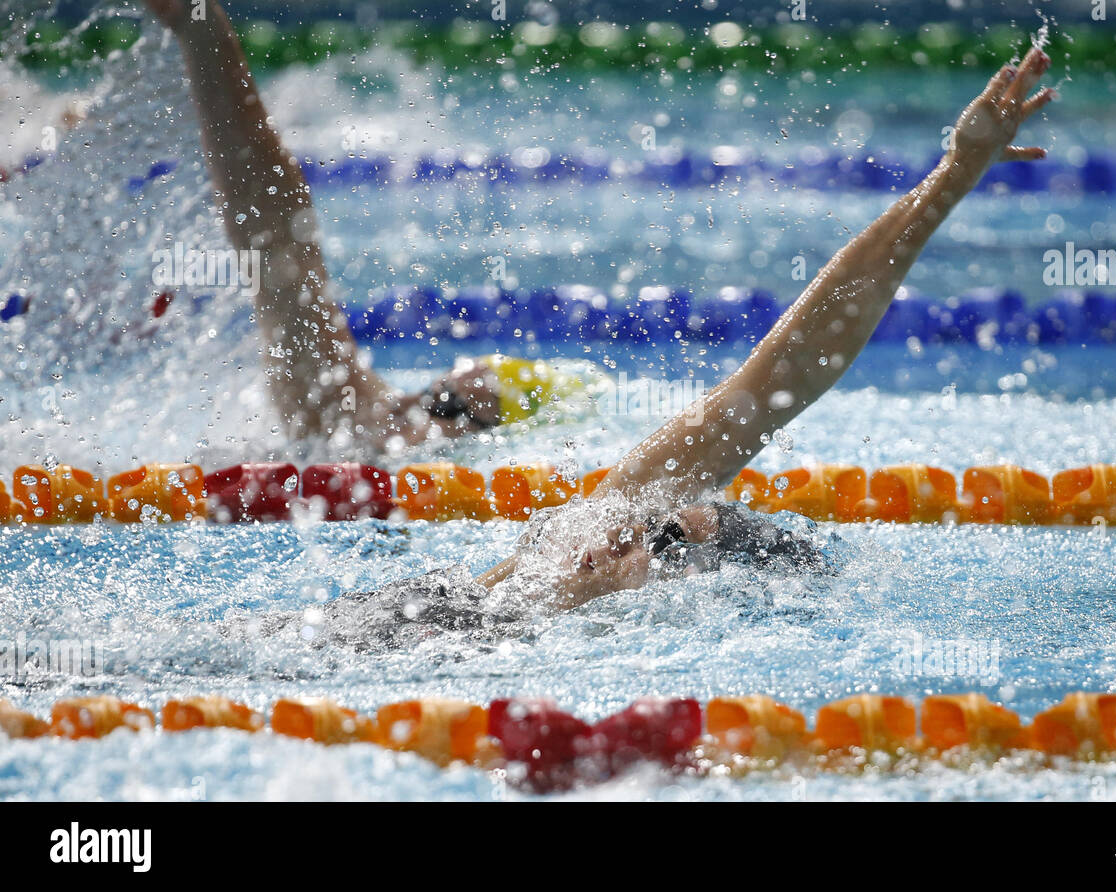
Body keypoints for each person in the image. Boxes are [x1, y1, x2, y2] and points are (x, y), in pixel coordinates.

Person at [236, 32, 1059, 649]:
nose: (631, 530)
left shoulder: (556, 655)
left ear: (676, 602)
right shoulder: (523, 569)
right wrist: (947, 179)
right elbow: (788, 368)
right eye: (656, 512)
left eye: (662, 541)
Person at [143, 0, 597, 447]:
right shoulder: (342, 415)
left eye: (447, 408)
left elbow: (272, 223)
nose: (407, 410)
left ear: (485, 444)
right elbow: (271, 225)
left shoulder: (369, 445)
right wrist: (197, 25)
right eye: (430, 394)